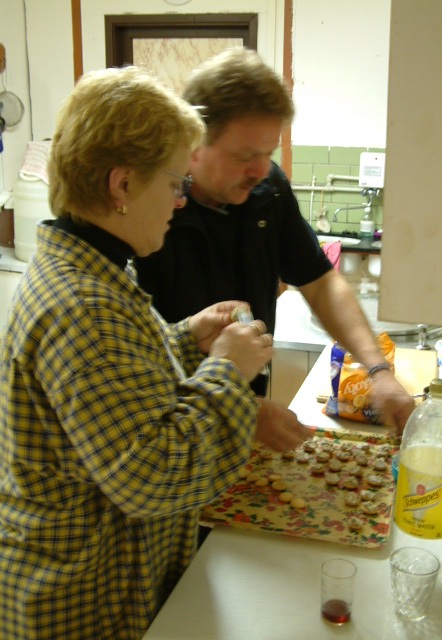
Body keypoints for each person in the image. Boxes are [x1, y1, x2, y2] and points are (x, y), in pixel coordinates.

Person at [0, 66, 309, 640]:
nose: (180, 201)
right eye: (173, 184)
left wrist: (187, 339)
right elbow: (154, 476)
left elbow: (119, 389)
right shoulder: (83, 307)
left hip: (111, 579)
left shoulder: (93, 270)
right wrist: (227, 370)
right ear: (122, 186)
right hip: (86, 603)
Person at [136, 47, 415, 434]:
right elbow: (134, 366)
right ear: (194, 144)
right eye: (245, 155)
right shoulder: (150, 212)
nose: (261, 169)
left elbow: (320, 282)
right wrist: (246, 410)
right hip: (171, 430)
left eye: (268, 152)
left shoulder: (268, 190)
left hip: (241, 406)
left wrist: (378, 370)